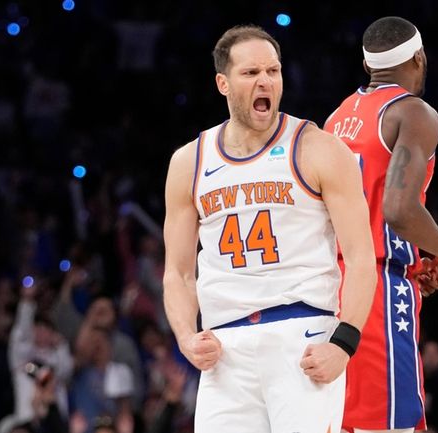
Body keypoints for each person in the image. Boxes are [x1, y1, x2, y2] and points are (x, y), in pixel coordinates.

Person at [163, 24, 377, 433]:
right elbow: (178, 272)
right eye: (251, 73)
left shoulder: (318, 148)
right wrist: (186, 338)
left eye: (273, 71)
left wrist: (343, 344)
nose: (265, 81)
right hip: (225, 348)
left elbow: (361, 256)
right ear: (223, 83)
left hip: (303, 337)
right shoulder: (189, 162)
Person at [323, 16, 438, 432]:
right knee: (390, 425)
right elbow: (398, 210)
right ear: (419, 58)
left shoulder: (336, 118)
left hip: (333, 285)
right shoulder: (413, 112)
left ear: (368, 65)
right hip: (378, 288)